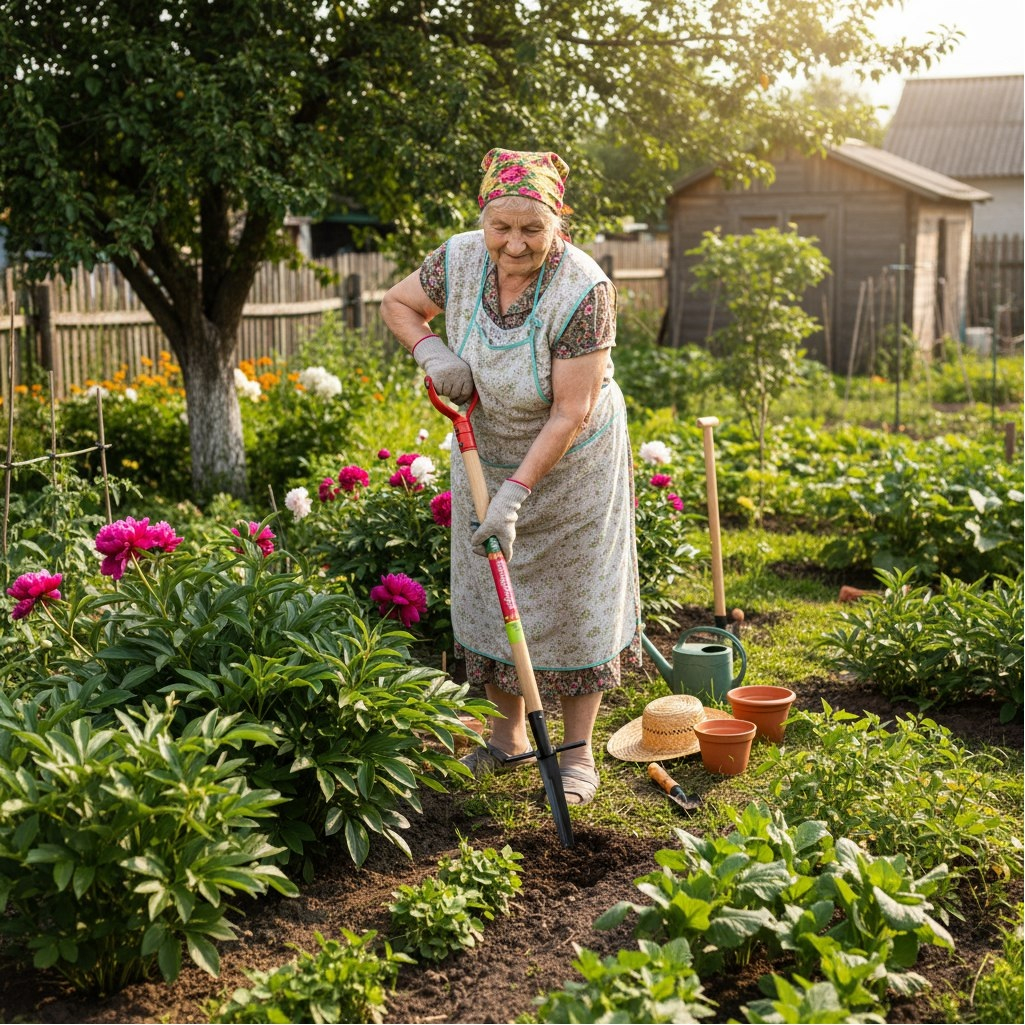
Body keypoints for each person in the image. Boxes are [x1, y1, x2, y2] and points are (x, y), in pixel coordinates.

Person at [380, 147, 640, 806]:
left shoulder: (584, 289)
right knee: (488, 592)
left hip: (574, 463)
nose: (514, 243)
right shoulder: (457, 260)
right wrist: (430, 349)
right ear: (483, 218)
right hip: (482, 450)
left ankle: (577, 754)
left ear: (558, 221)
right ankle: (506, 738)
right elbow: (398, 304)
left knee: (576, 597)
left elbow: (571, 409)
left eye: (532, 228)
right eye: (502, 227)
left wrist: (516, 495)